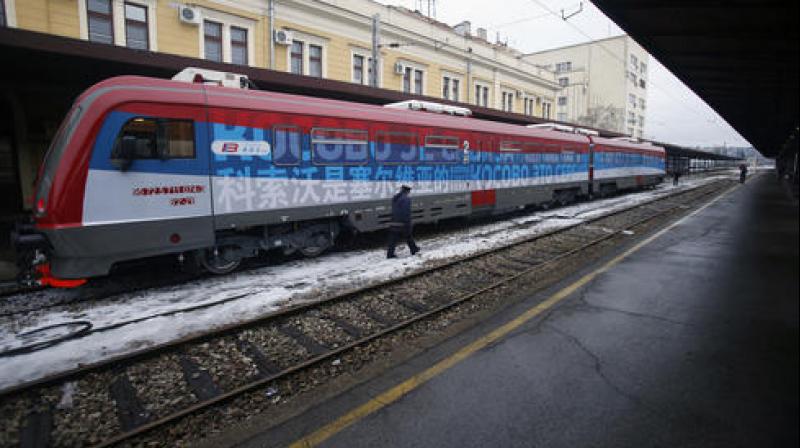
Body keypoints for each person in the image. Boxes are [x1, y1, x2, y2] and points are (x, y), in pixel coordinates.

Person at [387, 185, 420, 259]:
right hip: (402, 222)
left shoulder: (395, 197)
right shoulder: (406, 199)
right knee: (408, 236)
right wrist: (408, 223)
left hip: (393, 221)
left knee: (393, 239)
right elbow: (406, 212)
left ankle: (390, 254)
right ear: (407, 191)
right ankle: (414, 250)